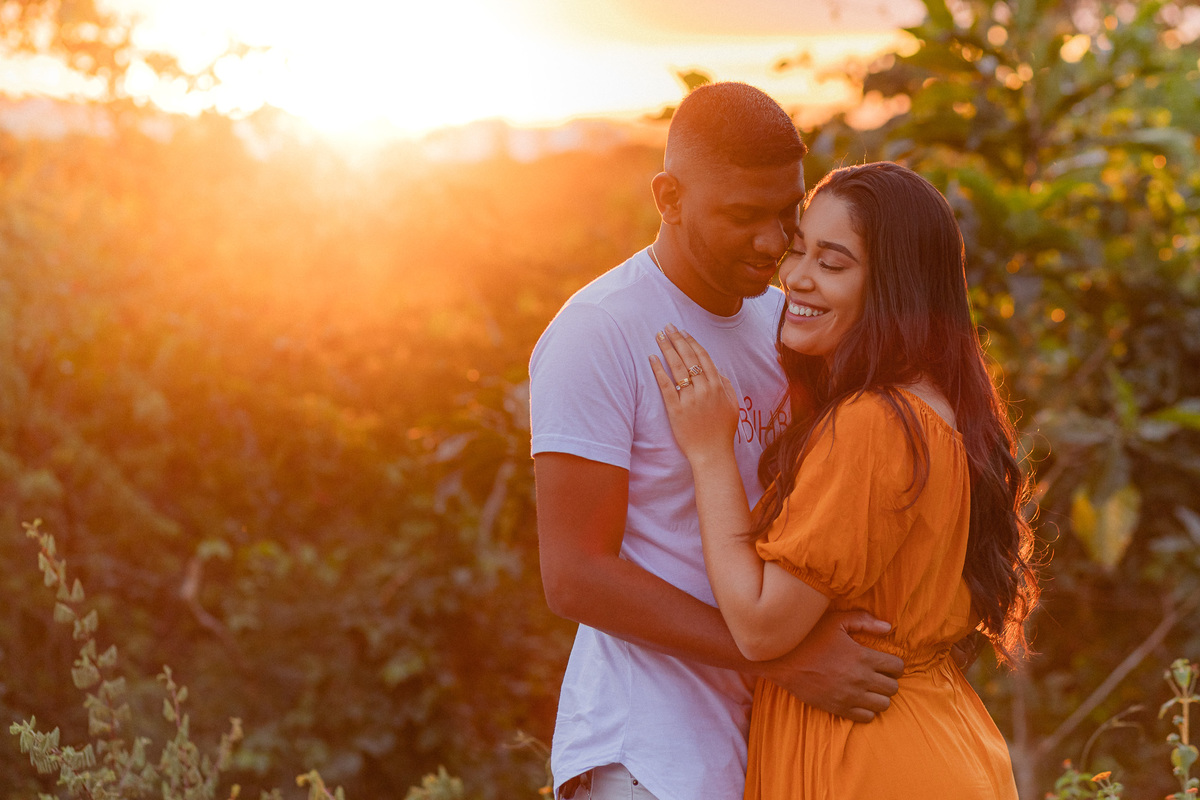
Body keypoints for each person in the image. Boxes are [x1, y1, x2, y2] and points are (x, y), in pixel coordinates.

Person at [530, 84, 906, 800]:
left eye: (786, 212)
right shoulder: (600, 330)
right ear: (668, 197)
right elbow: (575, 573)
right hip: (648, 754)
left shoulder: (790, 323)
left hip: (767, 750)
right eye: (742, 216)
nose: (773, 241)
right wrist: (783, 660)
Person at [649, 161, 1040, 798]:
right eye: (797, 251)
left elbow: (759, 626)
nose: (796, 279)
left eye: (832, 265)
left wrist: (710, 451)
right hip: (940, 738)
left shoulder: (872, 424)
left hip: (870, 757)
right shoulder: (939, 408)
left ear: (893, 288)